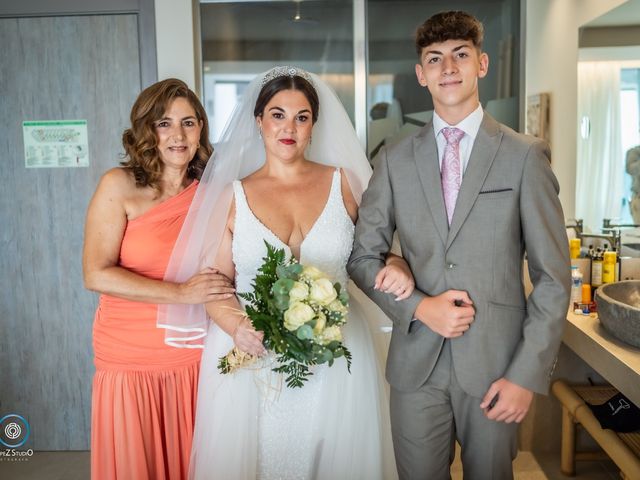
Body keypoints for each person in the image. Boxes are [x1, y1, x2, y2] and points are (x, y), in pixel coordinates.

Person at [159, 66, 411, 479]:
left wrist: (397, 264)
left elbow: (382, 252)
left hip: (339, 355)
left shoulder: (345, 183)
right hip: (254, 358)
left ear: (314, 125)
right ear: (259, 121)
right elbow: (214, 284)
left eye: (301, 116)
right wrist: (238, 327)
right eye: (277, 115)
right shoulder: (232, 195)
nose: (288, 127)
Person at [348, 11, 571, 480]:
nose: (448, 67)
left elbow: (553, 279)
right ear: (421, 74)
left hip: (496, 367)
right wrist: (417, 305)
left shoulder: (524, 156)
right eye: (435, 58)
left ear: (482, 64)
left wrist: (525, 376)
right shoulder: (393, 160)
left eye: (460, 55)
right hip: (415, 369)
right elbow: (362, 258)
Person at [83, 78, 235, 480]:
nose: (178, 135)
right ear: (147, 130)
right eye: (165, 123)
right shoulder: (118, 185)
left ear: (201, 128)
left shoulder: (214, 192)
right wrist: (181, 292)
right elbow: (95, 273)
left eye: (189, 122)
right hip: (128, 353)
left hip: (192, 352)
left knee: (192, 459)